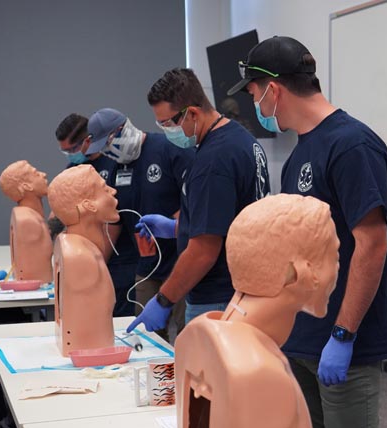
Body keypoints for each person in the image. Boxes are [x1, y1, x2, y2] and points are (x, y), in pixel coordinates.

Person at [228, 36, 387, 428]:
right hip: (304, 336)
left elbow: (372, 244)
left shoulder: (351, 145)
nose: (256, 107)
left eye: (253, 94)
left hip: (345, 341)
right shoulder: (303, 150)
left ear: (273, 90)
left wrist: (343, 336)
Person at [175, 194, 334, 428]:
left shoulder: (202, 334)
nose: (337, 270)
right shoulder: (258, 372)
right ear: (301, 273)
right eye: (334, 257)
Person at [126, 67, 269, 332]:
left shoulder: (213, 161)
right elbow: (227, 221)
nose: (165, 131)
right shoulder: (240, 139)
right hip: (242, 293)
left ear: (191, 112)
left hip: (217, 299)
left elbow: (204, 251)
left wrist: (163, 299)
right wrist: (177, 228)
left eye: (167, 123)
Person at [86, 107, 194, 340]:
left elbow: (196, 201)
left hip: (182, 261)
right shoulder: (116, 168)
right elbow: (115, 220)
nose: (108, 152)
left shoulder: (168, 149)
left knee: (189, 336)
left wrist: (171, 224)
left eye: (108, 143)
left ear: (123, 130)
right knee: (146, 338)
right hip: (147, 267)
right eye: (103, 149)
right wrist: (96, 266)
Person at [55, 113, 137, 316]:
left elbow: (114, 221)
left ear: (88, 140)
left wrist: (94, 266)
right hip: (84, 256)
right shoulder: (74, 167)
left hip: (118, 260)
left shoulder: (114, 163)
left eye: (73, 149)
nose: (71, 155)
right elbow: (60, 212)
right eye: (65, 151)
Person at [48, 165, 121, 355]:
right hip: (91, 351)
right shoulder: (81, 257)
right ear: (89, 205)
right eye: (105, 189)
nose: (113, 191)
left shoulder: (73, 246)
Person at [0, 160, 53, 283]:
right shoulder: (28, 221)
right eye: (36, 174)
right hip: (39, 283)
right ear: (26, 186)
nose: (43, 174)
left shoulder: (25, 216)